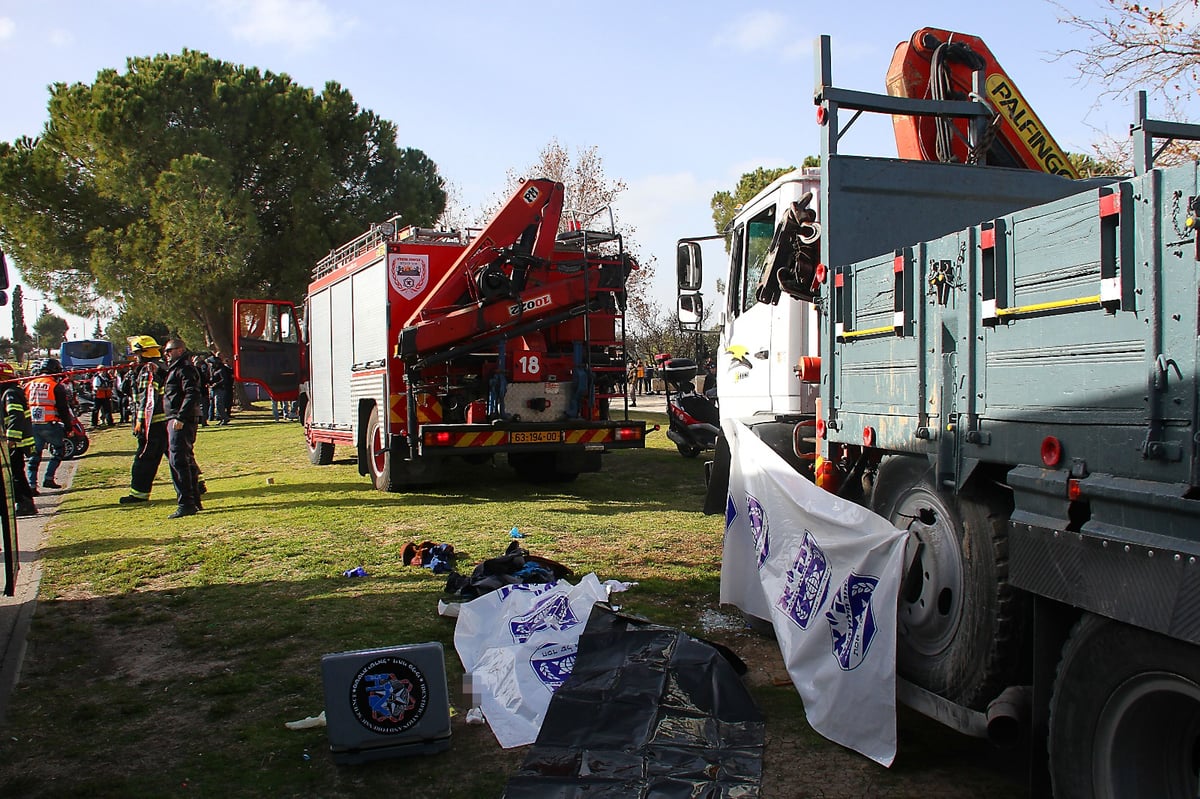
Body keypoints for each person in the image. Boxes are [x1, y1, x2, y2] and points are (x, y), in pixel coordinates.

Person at [118, 336, 168, 506]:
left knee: (144, 458)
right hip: (163, 421)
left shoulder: (149, 370)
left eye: (136, 353)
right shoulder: (155, 367)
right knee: (177, 455)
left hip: (152, 423)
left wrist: (140, 423)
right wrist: (131, 374)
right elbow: (124, 390)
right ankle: (197, 484)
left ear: (143, 353)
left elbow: (146, 398)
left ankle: (138, 494)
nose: (134, 357)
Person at [162, 338, 204, 518]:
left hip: (180, 420)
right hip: (178, 418)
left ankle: (186, 503)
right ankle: (193, 500)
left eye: (169, 351)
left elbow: (191, 393)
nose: (166, 355)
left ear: (179, 350)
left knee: (178, 460)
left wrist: (180, 416)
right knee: (185, 459)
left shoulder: (184, 368)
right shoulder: (177, 369)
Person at [24, 357, 74, 491]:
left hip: (32, 425)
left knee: (34, 456)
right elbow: (63, 409)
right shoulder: (56, 386)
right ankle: (49, 478)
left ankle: (32, 485)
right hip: (50, 424)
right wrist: (69, 427)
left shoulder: (29, 384)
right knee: (59, 450)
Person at [0, 364, 37, 516]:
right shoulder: (10, 391)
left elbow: (16, 416)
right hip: (17, 441)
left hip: (16, 442)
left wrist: (11, 438)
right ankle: (24, 503)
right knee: (16, 474)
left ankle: (24, 504)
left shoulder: (10, 393)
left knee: (15, 475)